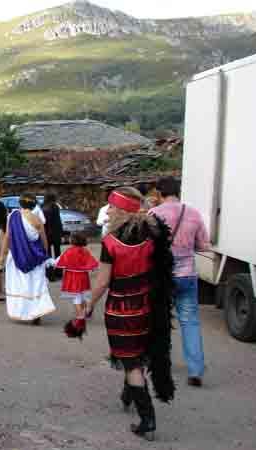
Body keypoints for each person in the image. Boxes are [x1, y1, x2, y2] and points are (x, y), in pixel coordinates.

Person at [85, 187, 175, 440]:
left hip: (121, 309)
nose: (108, 212)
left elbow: (103, 282)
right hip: (148, 306)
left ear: (123, 209)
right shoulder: (153, 236)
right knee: (136, 351)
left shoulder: (110, 242)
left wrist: (89, 305)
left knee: (131, 362)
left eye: (112, 207)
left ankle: (148, 420)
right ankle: (128, 393)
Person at [150, 176, 210, 387]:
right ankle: (195, 370)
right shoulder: (194, 213)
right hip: (187, 276)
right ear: (178, 191)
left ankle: (159, 364)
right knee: (190, 321)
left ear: (159, 193)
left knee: (159, 321)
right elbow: (204, 245)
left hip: (162, 277)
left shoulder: (153, 214)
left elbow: (147, 246)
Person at [0, 193, 56, 325]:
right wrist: (45, 254)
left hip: (16, 255)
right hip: (35, 256)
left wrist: (2, 254)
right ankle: (37, 311)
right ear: (34, 205)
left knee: (20, 284)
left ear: (20, 203)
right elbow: (44, 239)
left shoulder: (12, 216)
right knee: (36, 284)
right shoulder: (37, 220)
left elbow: (8, 236)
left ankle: (22, 311)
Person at [55, 231, 98, 337]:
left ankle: (80, 317)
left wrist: (52, 262)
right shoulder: (85, 251)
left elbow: (59, 261)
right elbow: (92, 263)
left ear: (73, 240)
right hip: (83, 277)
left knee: (76, 298)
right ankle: (85, 310)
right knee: (82, 296)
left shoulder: (69, 251)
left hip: (72, 277)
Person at [42, 194, 63, 259]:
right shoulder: (55, 207)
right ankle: (58, 264)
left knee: (48, 250)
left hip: (46, 231)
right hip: (55, 231)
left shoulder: (42, 206)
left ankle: (49, 264)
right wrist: (61, 232)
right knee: (57, 250)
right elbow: (58, 221)